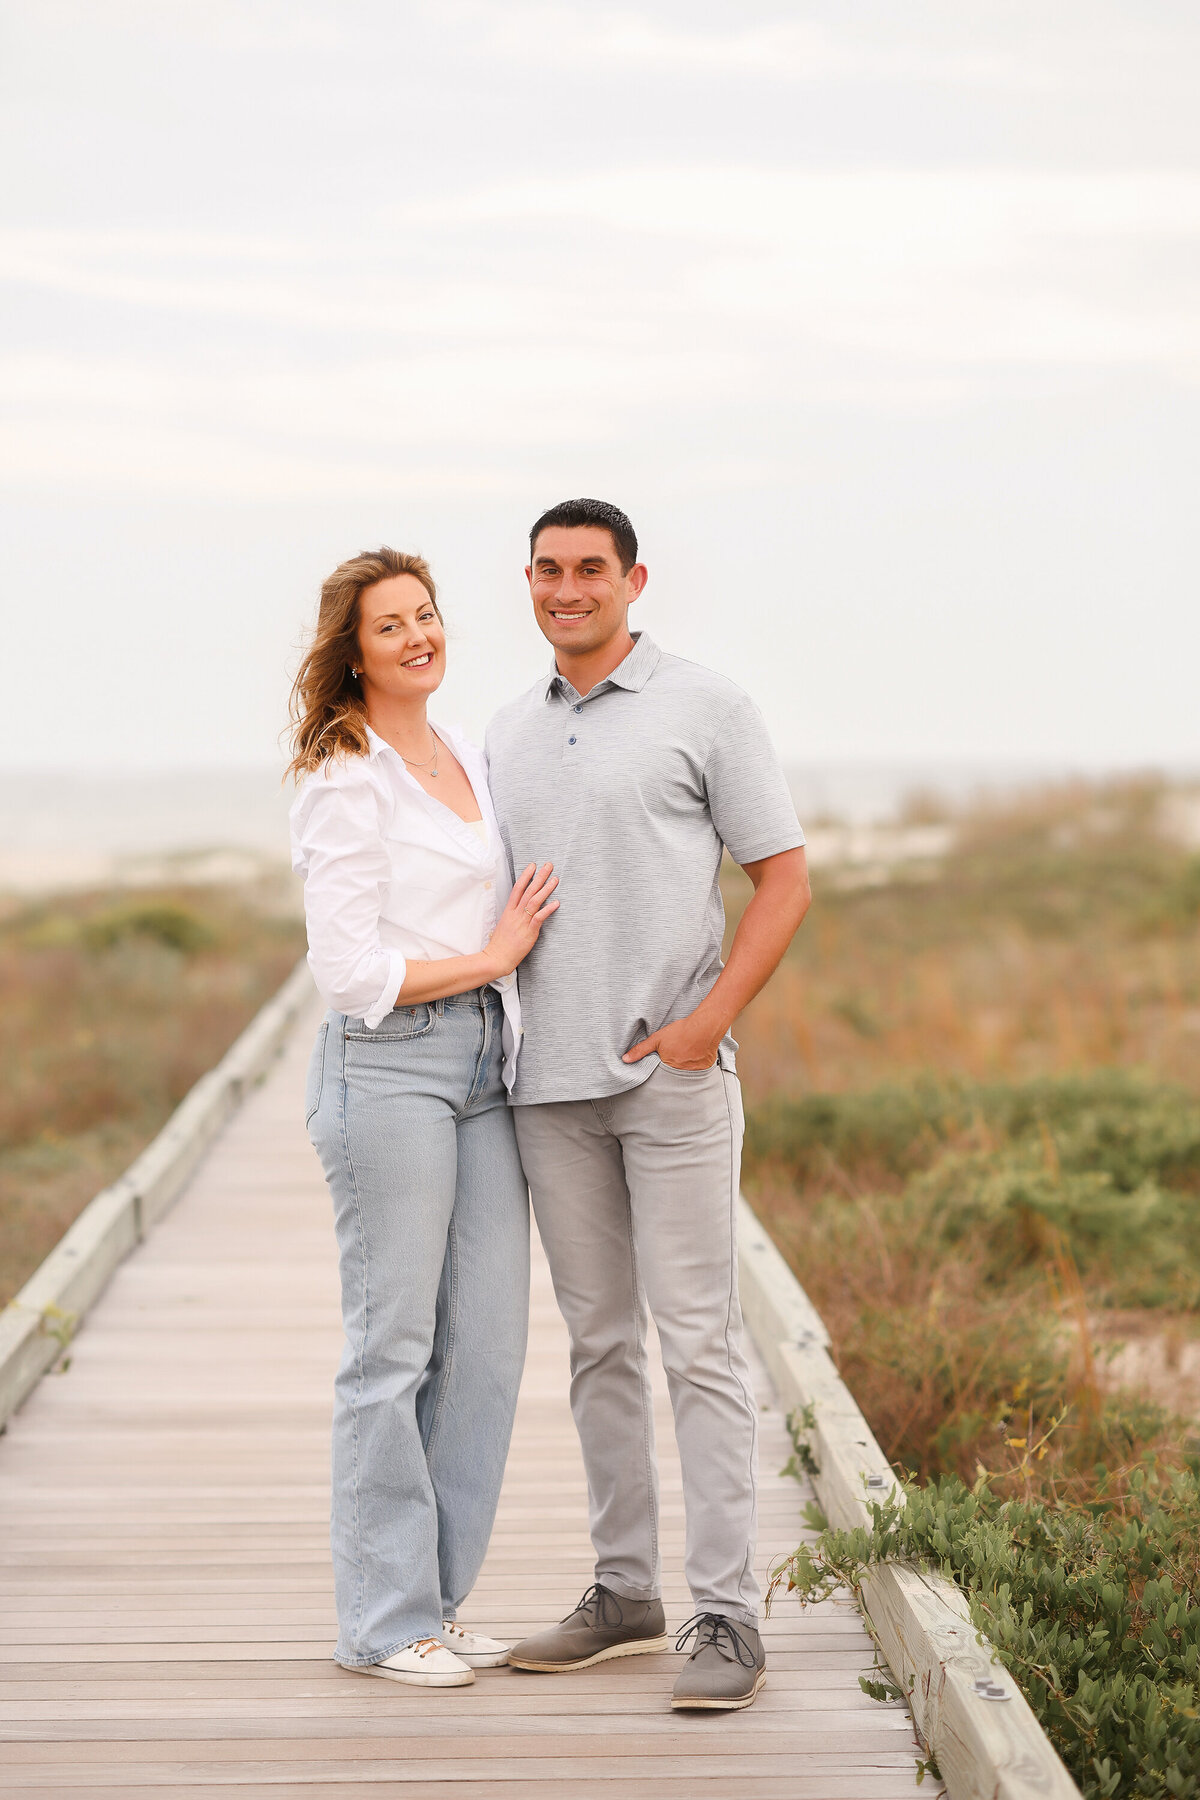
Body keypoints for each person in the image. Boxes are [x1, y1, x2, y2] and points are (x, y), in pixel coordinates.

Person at [485, 499, 810, 1712]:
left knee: (701, 1343)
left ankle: (727, 1615)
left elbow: (784, 881)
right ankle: (625, 1591)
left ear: (632, 580)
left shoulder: (708, 706)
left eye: (591, 569)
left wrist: (707, 1026)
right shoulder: (508, 730)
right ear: (528, 583)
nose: (569, 588)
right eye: (549, 571)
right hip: (547, 1092)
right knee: (599, 1346)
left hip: (670, 1083)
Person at [288, 547, 559, 1688]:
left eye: (429, 616)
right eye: (391, 625)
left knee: (489, 1347)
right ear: (354, 652)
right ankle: (383, 1620)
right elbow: (346, 969)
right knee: (389, 1352)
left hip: (486, 1067)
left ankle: (435, 1605)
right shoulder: (344, 774)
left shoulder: (466, 754)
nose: (418, 636)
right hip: (388, 1069)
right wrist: (490, 955)